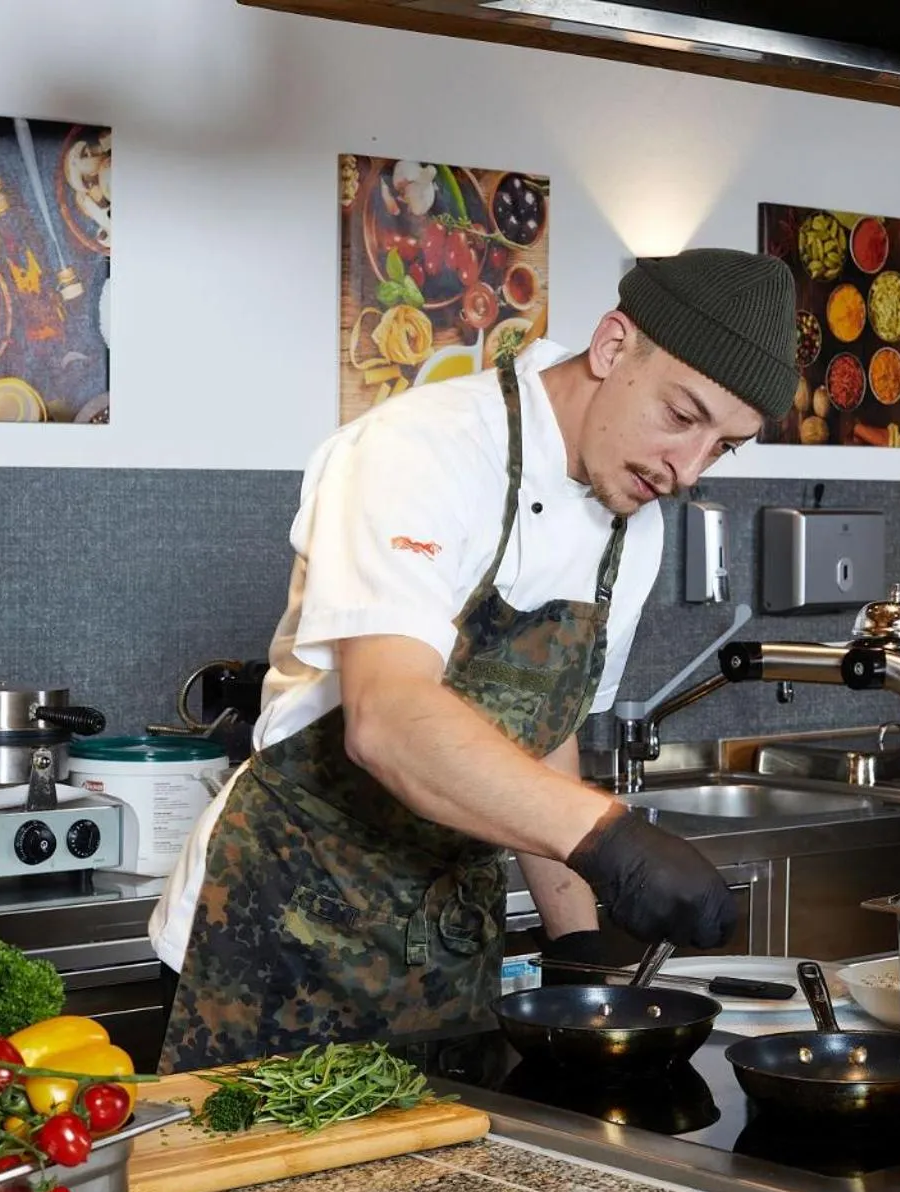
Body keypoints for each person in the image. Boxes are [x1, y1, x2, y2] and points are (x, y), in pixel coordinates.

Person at [153, 248, 799, 1070]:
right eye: (682, 416)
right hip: (275, 934)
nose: (686, 471)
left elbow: (541, 736)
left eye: (724, 447)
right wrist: (609, 840)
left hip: (447, 954)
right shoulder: (420, 451)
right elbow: (389, 720)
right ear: (611, 347)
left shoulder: (633, 524)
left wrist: (578, 948)